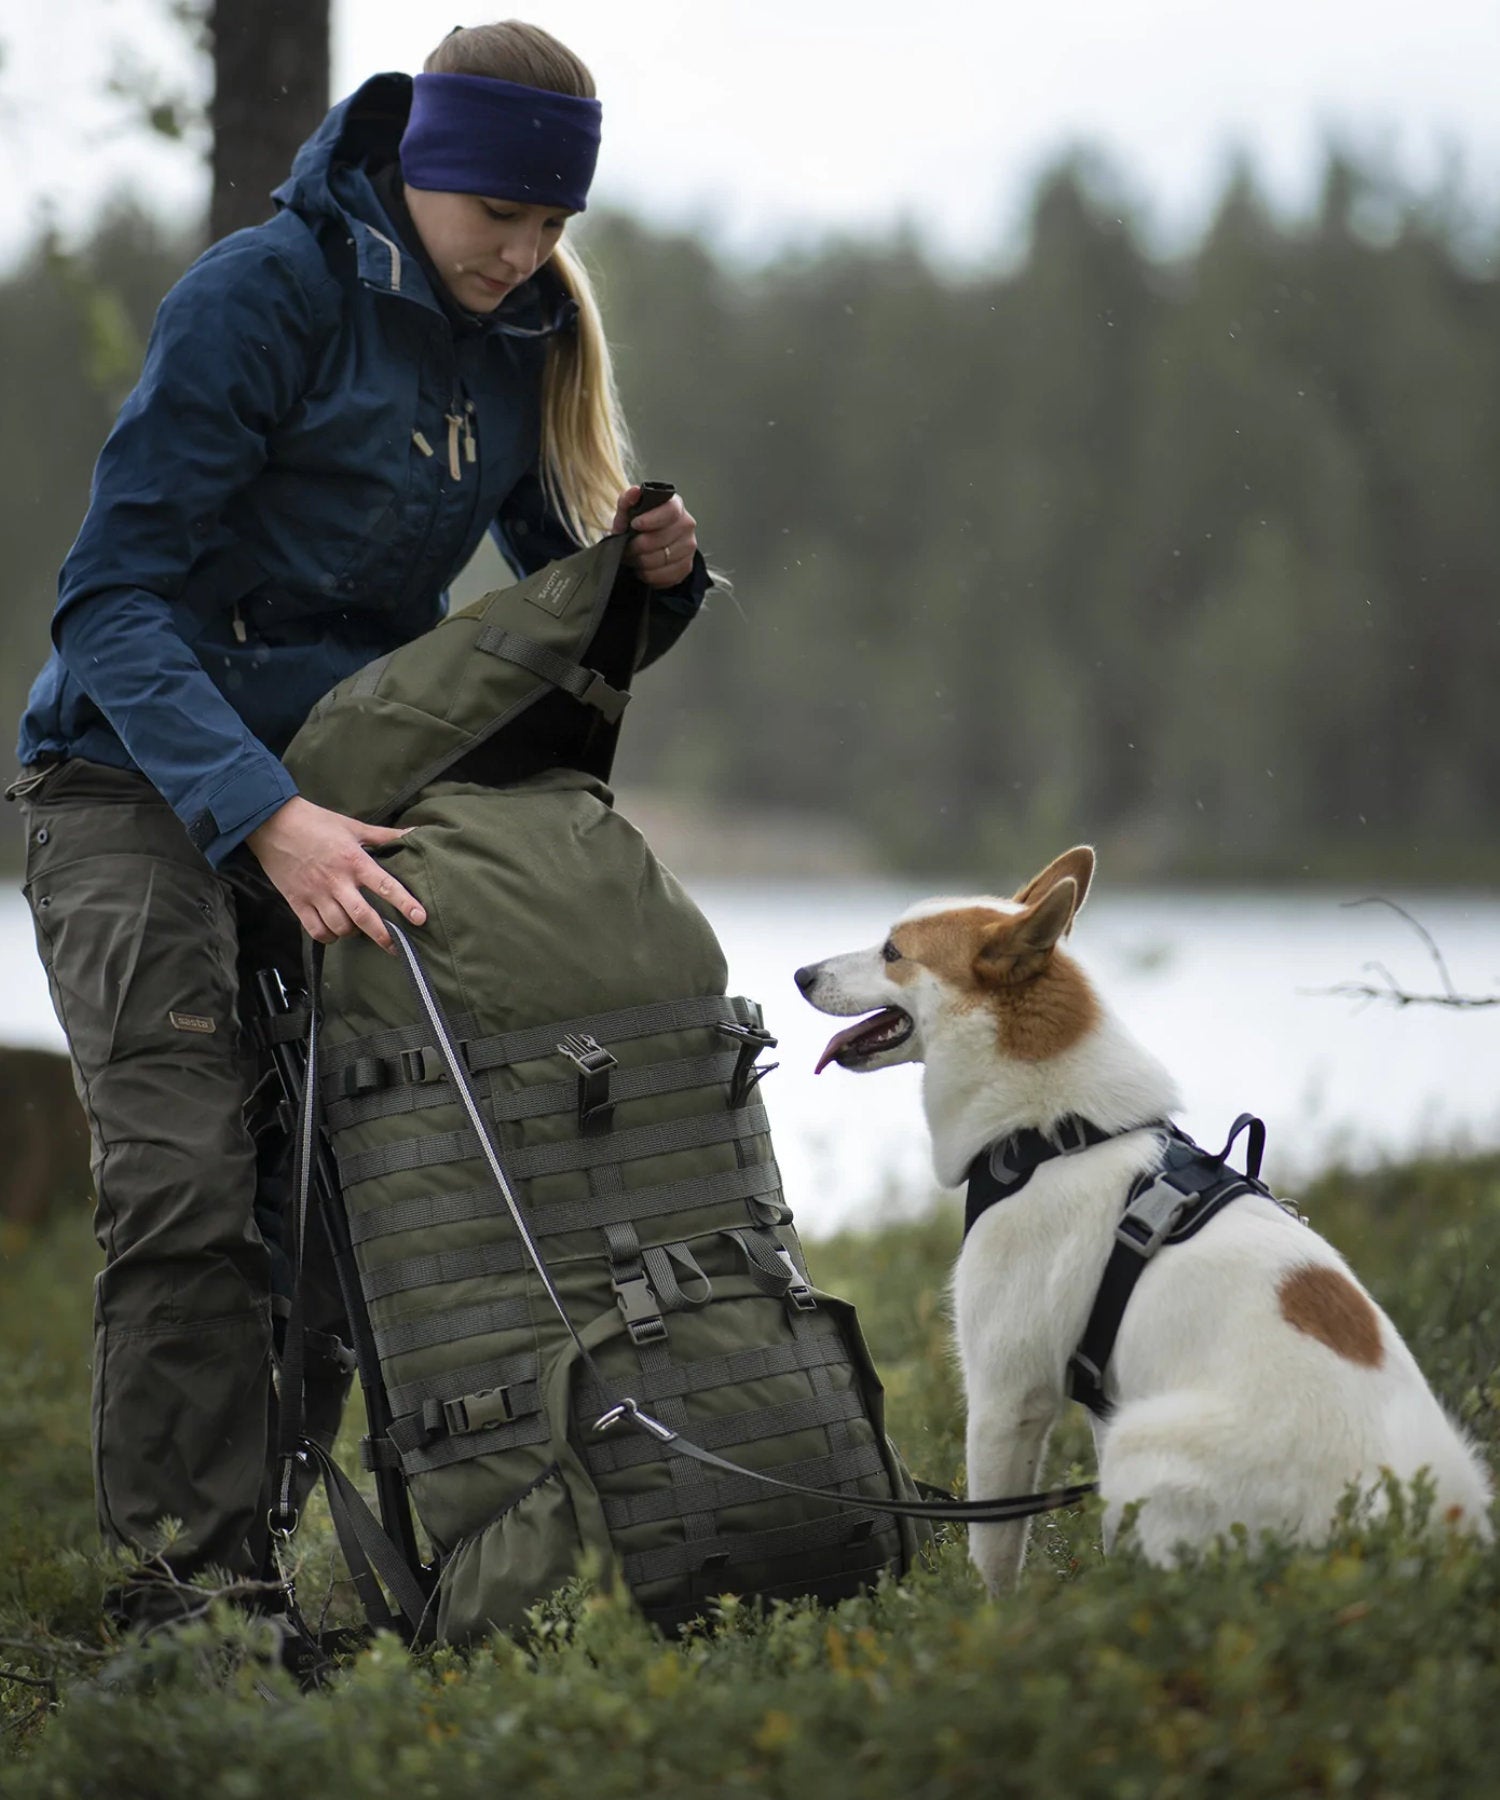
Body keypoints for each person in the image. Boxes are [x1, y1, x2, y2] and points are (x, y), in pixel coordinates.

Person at [9, 20, 709, 1628]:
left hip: (339, 800)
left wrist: (650, 589)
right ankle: (177, 1601)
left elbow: (540, 619)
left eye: (554, 231)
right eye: (501, 222)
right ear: (424, 167)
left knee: (343, 1189)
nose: (527, 255)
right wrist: (263, 819)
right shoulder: (261, 297)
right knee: (190, 1180)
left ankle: (252, 1557)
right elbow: (107, 603)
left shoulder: (521, 330)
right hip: (129, 782)